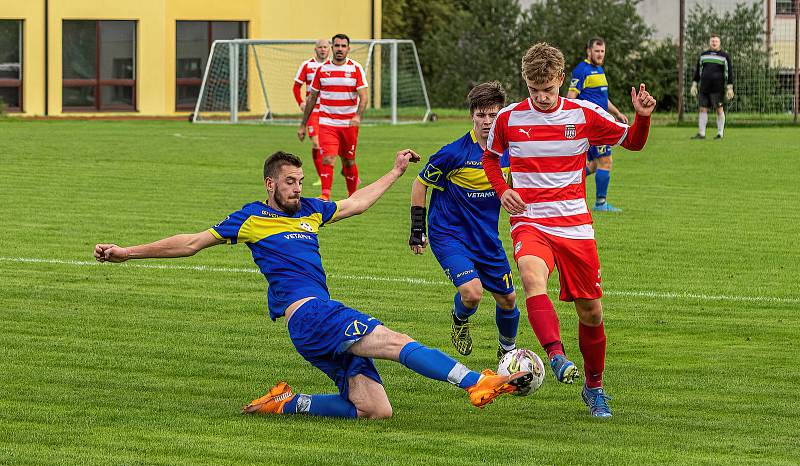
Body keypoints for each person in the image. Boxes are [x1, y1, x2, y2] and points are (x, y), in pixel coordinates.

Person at [94, 150, 533, 420]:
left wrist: (397, 171)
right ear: (270, 184)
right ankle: (477, 380)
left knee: (375, 410)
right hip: (310, 313)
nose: (296, 188)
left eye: (300, 181)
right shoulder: (251, 218)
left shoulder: (309, 211)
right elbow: (190, 243)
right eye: (289, 182)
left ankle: (286, 403)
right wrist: (127, 252)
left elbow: (357, 203)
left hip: (311, 326)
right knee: (393, 340)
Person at [482, 42, 656, 418]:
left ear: (562, 79)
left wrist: (641, 116)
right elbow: (491, 159)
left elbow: (635, 142)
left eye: (548, 89)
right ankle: (556, 357)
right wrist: (503, 190)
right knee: (531, 277)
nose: (542, 97)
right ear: (525, 83)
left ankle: (594, 387)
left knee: (591, 313)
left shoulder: (585, 114)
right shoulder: (509, 119)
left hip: (575, 225)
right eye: (534, 90)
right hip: (530, 220)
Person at [409, 81, 519, 362]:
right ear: (472, 115)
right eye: (481, 115)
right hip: (449, 236)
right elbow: (419, 185)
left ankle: (507, 353)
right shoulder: (454, 153)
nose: (487, 122)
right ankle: (460, 319)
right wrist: (417, 230)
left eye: (493, 115)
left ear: (502, 115)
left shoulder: (510, 152)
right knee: (472, 293)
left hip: (485, 237)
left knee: (508, 301)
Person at [298, 34, 368, 201]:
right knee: (328, 158)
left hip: (349, 124)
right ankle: (325, 195)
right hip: (327, 123)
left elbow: (364, 97)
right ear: (332, 47)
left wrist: (358, 116)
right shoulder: (322, 70)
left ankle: (353, 197)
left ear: (348, 49)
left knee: (349, 161)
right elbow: (312, 98)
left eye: (343, 46)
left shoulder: (356, 68)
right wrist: (302, 125)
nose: (340, 49)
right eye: (337, 46)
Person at [567, 37, 629, 213]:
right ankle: (600, 203)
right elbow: (571, 97)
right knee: (605, 161)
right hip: (592, 125)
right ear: (589, 51)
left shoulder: (599, 69)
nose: (600, 54)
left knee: (593, 165)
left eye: (602, 51)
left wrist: (616, 113)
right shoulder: (581, 70)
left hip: (601, 122)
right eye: (597, 51)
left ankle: (563, 185)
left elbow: (602, 98)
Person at [293, 39, 330, 187]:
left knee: (336, 145)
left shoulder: (333, 66)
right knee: (316, 143)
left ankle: (350, 173)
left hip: (329, 110)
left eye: (325, 47)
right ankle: (322, 177)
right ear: (315, 49)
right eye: (320, 47)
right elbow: (296, 87)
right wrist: (301, 102)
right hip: (313, 110)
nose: (323, 50)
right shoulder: (307, 65)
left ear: (329, 49)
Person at [690, 33, 734, 140]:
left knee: (719, 109)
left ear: (719, 43)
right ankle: (701, 134)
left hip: (717, 89)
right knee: (702, 109)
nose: (714, 43)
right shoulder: (703, 55)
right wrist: (694, 84)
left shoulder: (725, 56)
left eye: (716, 41)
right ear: (709, 42)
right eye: (712, 41)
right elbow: (698, 71)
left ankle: (720, 134)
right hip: (704, 88)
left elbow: (729, 72)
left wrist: (730, 88)